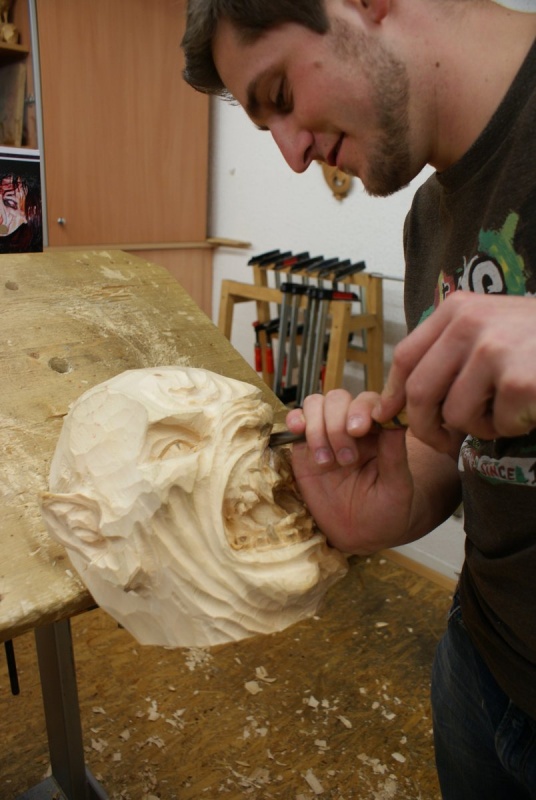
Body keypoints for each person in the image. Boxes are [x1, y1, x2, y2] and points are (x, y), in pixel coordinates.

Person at [181, 1, 536, 796]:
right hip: (481, 667)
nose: (293, 157)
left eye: (280, 95)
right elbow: (458, 453)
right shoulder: (429, 220)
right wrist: (396, 497)